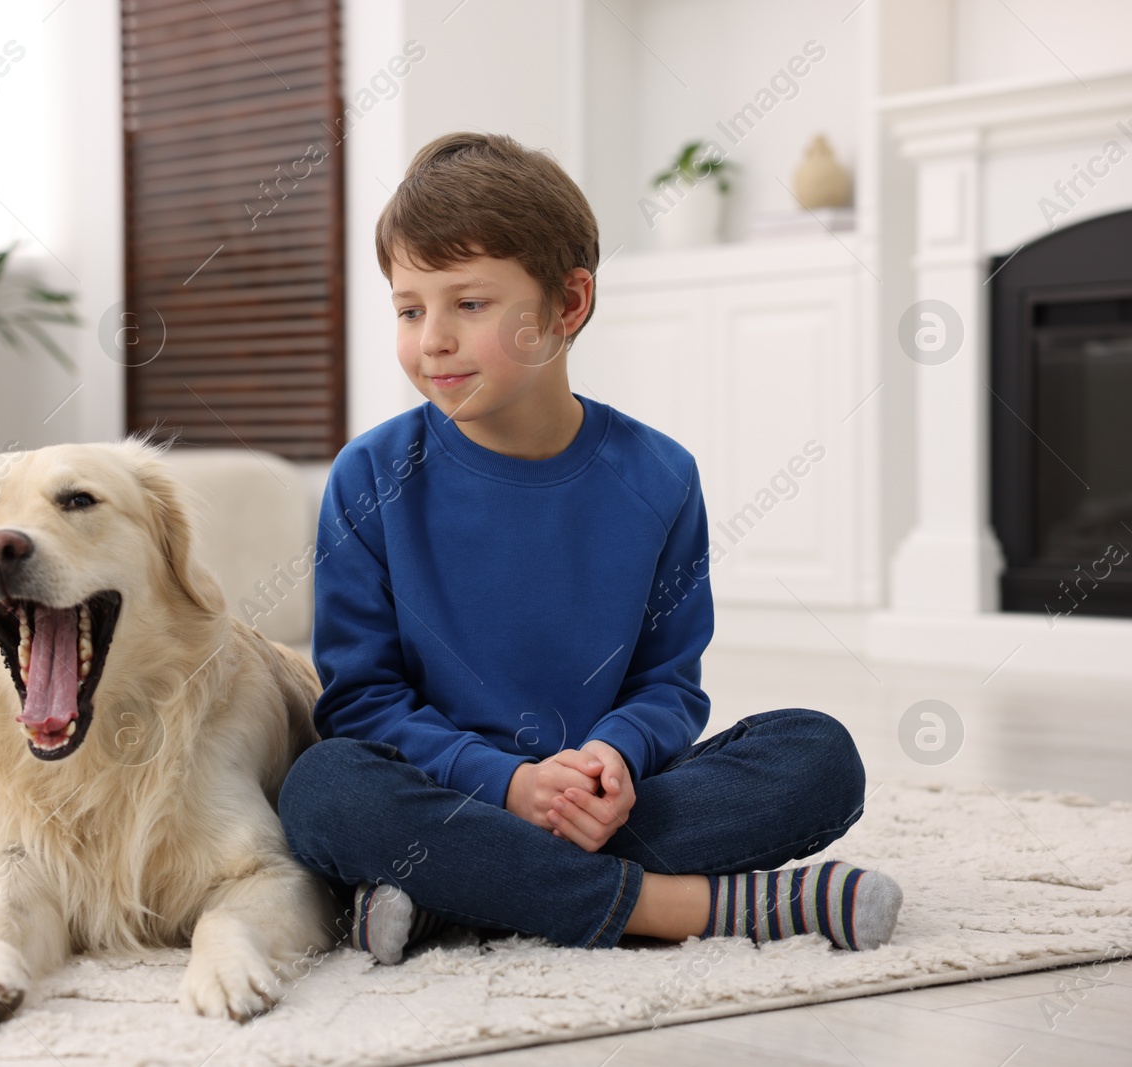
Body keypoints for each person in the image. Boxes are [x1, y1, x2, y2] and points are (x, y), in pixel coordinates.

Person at [276, 131, 902, 965]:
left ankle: (453, 895)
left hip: (611, 798)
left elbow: (668, 688)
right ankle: (691, 907)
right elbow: (360, 703)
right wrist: (508, 785)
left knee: (818, 754)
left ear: (569, 305)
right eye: (409, 308)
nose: (432, 340)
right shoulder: (370, 475)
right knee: (325, 790)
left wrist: (611, 755)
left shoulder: (661, 475)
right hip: (446, 791)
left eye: (470, 304)